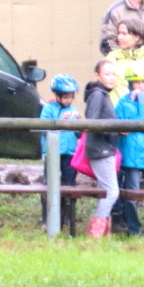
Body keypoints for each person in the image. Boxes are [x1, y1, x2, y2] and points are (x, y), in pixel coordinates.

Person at [114, 67, 144, 239]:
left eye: (142, 82)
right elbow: (118, 123)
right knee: (131, 194)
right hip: (130, 154)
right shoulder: (123, 101)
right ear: (130, 84)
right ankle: (133, 228)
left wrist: (132, 123)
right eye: (136, 82)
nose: (139, 86)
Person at [83, 59, 121, 238]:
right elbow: (92, 122)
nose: (111, 78)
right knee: (112, 191)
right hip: (100, 149)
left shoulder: (103, 94)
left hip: (105, 147)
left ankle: (103, 234)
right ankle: (95, 233)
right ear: (97, 76)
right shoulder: (98, 95)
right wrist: (114, 129)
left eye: (113, 74)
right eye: (107, 74)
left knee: (106, 190)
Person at [40, 73, 82, 234]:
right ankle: (47, 218)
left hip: (69, 153)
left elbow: (78, 134)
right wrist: (60, 119)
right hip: (53, 153)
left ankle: (67, 217)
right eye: (64, 97)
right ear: (57, 96)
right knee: (49, 184)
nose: (67, 100)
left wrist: (79, 124)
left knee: (69, 184)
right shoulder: (48, 109)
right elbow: (44, 127)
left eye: (70, 97)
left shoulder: (74, 111)